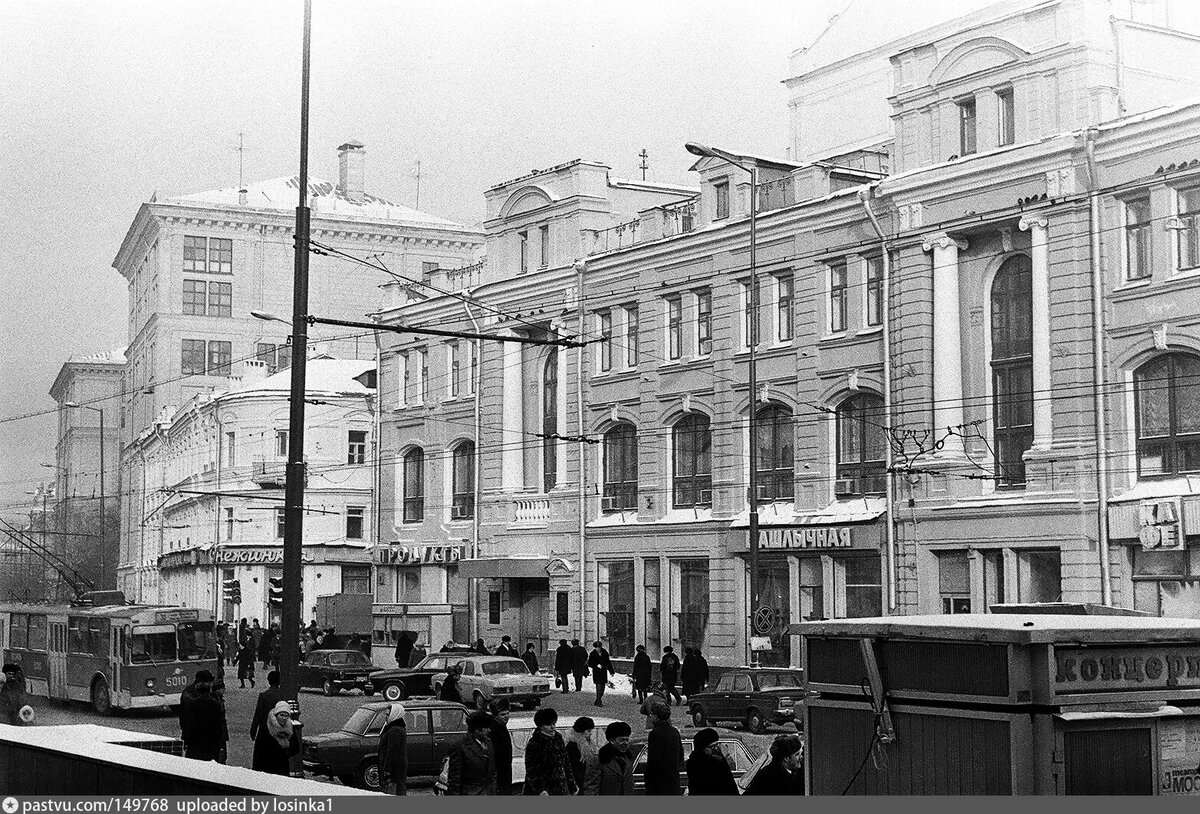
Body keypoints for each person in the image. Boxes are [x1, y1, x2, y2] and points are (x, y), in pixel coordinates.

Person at [522, 707, 577, 795]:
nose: (552, 727)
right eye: (548, 724)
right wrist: (540, 790)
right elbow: (532, 770)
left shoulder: (558, 738)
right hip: (544, 789)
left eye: (554, 723)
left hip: (560, 787)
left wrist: (572, 785)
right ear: (540, 726)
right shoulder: (535, 742)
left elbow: (566, 763)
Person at [447, 710, 497, 795]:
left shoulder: (489, 742)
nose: (489, 730)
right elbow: (455, 779)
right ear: (477, 730)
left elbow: (493, 770)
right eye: (486, 728)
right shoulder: (460, 747)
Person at [584, 721, 636, 795]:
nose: (625, 743)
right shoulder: (599, 759)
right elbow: (591, 788)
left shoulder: (628, 758)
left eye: (627, 740)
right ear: (612, 740)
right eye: (622, 740)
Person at [643, 698, 683, 795]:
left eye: (652, 714)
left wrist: (648, 779)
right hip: (673, 781)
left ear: (656, 716)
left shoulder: (655, 734)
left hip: (659, 783)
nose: (650, 716)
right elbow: (681, 756)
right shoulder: (674, 732)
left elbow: (653, 760)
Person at [183, 679, 226, 762]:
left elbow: (188, 723)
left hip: (195, 740)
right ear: (209, 691)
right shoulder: (215, 704)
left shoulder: (192, 704)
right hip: (211, 740)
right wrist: (220, 742)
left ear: (197, 692)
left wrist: (186, 739)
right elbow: (219, 725)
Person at [686, 728, 738, 795]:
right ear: (702, 748)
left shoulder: (718, 758)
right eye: (712, 746)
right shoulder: (696, 764)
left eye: (717, 745)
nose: (715, 748)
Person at [254, 701, 300, 776]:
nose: (284, 718)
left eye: (286, 716)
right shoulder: (266, 728)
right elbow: (258, 751)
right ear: (276, 715)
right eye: (281, 715)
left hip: (282, 767)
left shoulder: (289, 728)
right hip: (267, 768)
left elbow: (296, 747)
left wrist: (286, 752)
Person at [249, 669, 282, 766]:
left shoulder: (264, 696)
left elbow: (258, 715)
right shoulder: (282, 695)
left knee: (263, 760)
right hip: (278, 730)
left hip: (265, 731)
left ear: (269, 681)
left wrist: (253, 729)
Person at [378, 702, 409, 795]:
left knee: (395, 791)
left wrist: (387, 770)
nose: (385, 717)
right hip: (396, 768)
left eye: (388, 714)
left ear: (394, 714)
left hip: (394, 769)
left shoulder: (394, 731)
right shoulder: (395, 728)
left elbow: (392, 751)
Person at [487, 700, 514, 795]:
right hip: (499, 775)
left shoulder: (501, 727)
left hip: (505, 772)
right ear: (495, 716)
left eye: (508, 713)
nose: (506, 716)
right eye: (502, 714)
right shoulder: (494, 731)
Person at [564, 716, 598, 792]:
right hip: (578, 785)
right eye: (588, 731)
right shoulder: (572, 746)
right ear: (581, 731)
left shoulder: (588, 743)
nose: (591, 734)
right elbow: (573, 769)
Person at [587, 641, 615, 707]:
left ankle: (597, 700)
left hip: (603, 672)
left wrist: (611, 671)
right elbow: (590, 663)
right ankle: (599, 701)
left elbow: (608, 662)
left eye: (599, 647)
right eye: (596, 647)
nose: (598, 649)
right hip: (596, 672)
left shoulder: (605, 653)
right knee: (598, 687)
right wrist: (596, 665)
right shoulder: (592, 654)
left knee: (603, 688)